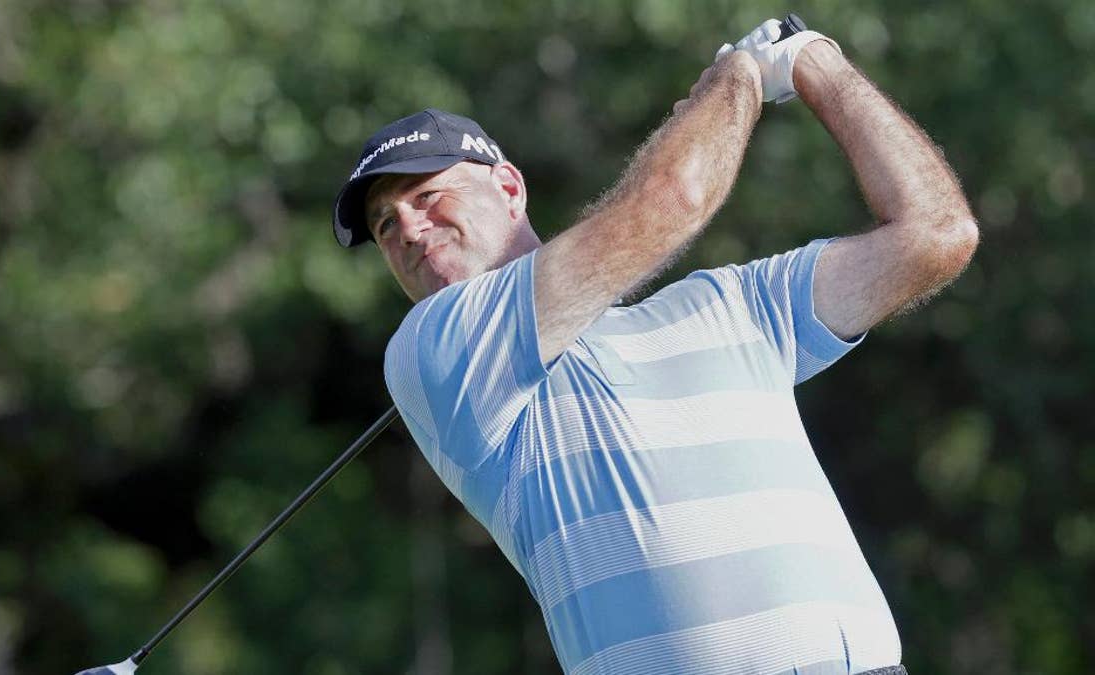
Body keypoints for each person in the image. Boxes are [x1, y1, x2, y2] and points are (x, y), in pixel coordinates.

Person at [330, 17, 977, 675]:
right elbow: (672, 198)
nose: (407, 228)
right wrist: (739, 76)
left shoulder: (731, 305)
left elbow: (935, 233)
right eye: (385, 225)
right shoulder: (435, 353)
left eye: (426, 195)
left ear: (508, 187)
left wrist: (816, 63)